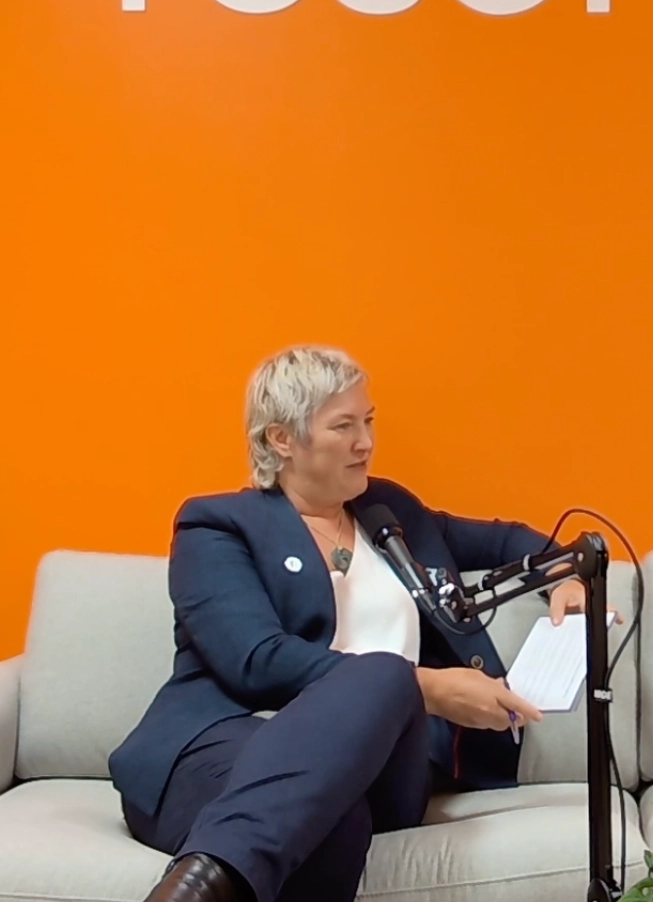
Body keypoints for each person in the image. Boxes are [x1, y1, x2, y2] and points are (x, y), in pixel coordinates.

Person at [110, 345, 605, 902]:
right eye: (344, 426)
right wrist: (427, 687)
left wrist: (566, 577)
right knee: (334, 825)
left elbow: (506, 541)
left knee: (382, 683)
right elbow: (255, 660)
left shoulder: (388, 512)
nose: (366, 442)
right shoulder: (219, 526)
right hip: (231, 739)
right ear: (281, 439)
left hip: (384, 763)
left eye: (368, 421)